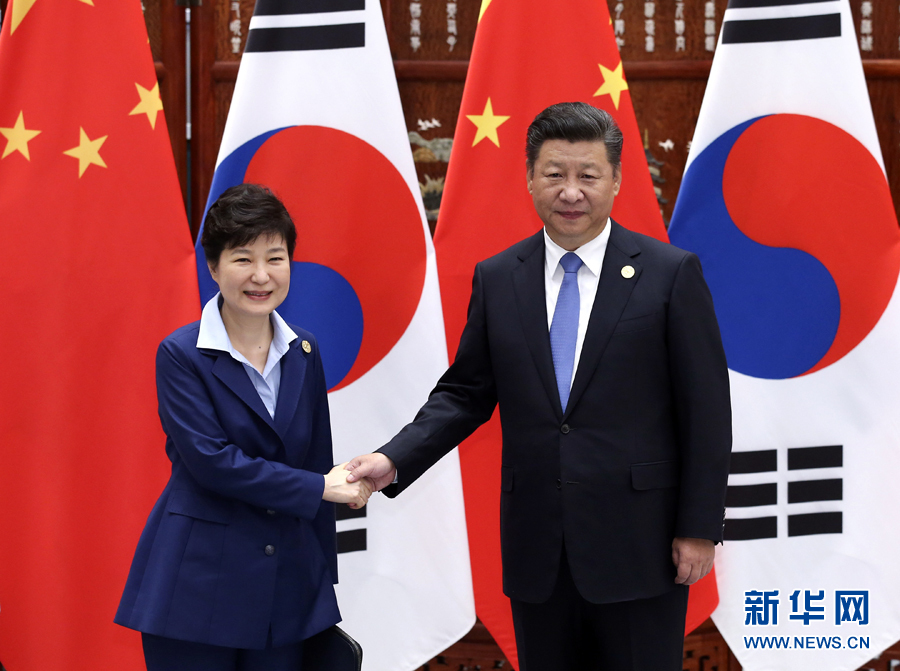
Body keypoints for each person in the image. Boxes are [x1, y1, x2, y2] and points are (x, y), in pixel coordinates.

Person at [346, 102, 732, 670]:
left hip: (641, 547)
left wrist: (698, 528)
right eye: (554, 174)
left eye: (588, 175)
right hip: (539, 552)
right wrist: (393, 458)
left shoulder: (669, 274)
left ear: (616, 180)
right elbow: (465, 393)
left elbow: (707, 413)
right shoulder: (500, 277)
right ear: (530, 178)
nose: (571, 191)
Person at [115, 184, 372, 670]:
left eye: (275, 258)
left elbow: (316, 457)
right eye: (242, 259)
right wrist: (320, 487)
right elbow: (213, 463)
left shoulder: (304, 350)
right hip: (196, 586)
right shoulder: (181, 354)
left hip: (286, 589)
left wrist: (320, 580)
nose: (261, 275)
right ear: (213, 268)